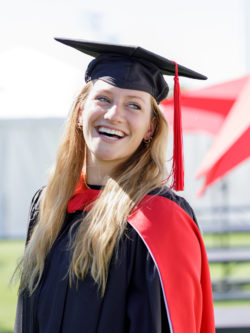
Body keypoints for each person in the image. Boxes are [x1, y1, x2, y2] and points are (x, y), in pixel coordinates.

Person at [14, 38, 215, 333]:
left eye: (134, 105)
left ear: (150, 128)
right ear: (81, 111)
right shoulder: (50, 206)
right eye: (103, 99)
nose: (114, 115)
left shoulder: (157, 219)